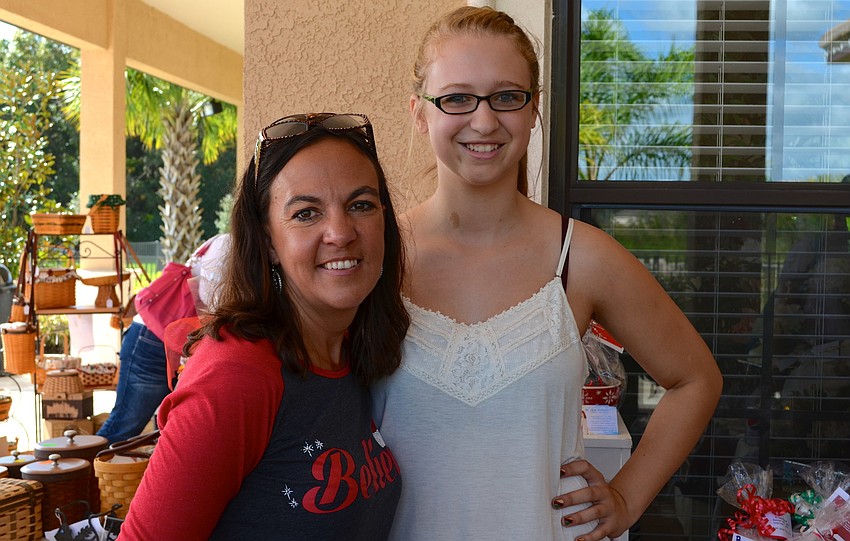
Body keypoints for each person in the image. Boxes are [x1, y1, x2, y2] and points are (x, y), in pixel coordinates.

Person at [370, 7, 723, 541]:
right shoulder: (375, 258)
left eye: (507, 96)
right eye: (457, 98)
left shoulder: (582, 257)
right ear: (420, 112)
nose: (484, 121)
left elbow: (696, 380)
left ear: (533, 109)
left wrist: (626, 496)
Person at [121, 112, 409, 540]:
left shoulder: (355, 348)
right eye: (307, 213)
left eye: (360, 205)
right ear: (269, 241)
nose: (341, 232)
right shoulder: (237, 374)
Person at [95, 233, 229, 445]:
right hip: (154, 339)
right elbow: (215, 301)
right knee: (125, 426)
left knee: (163, 426)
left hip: (162, 338)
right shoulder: (229, 245)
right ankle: (89, 472)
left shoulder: (224, 241)